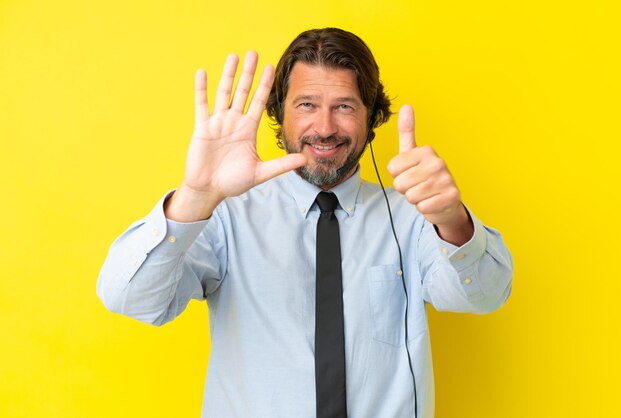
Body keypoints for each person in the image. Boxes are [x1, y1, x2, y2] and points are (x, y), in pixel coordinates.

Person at [97, 28, 513, 418]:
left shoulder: (413, 217)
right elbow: (129, 298)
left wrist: (451, 220)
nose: (325, 127)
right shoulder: (227, 215)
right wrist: (195, 196)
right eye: (307, 105)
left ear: (373, 118)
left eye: (344, 107)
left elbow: (486, 296)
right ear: (280, 114)